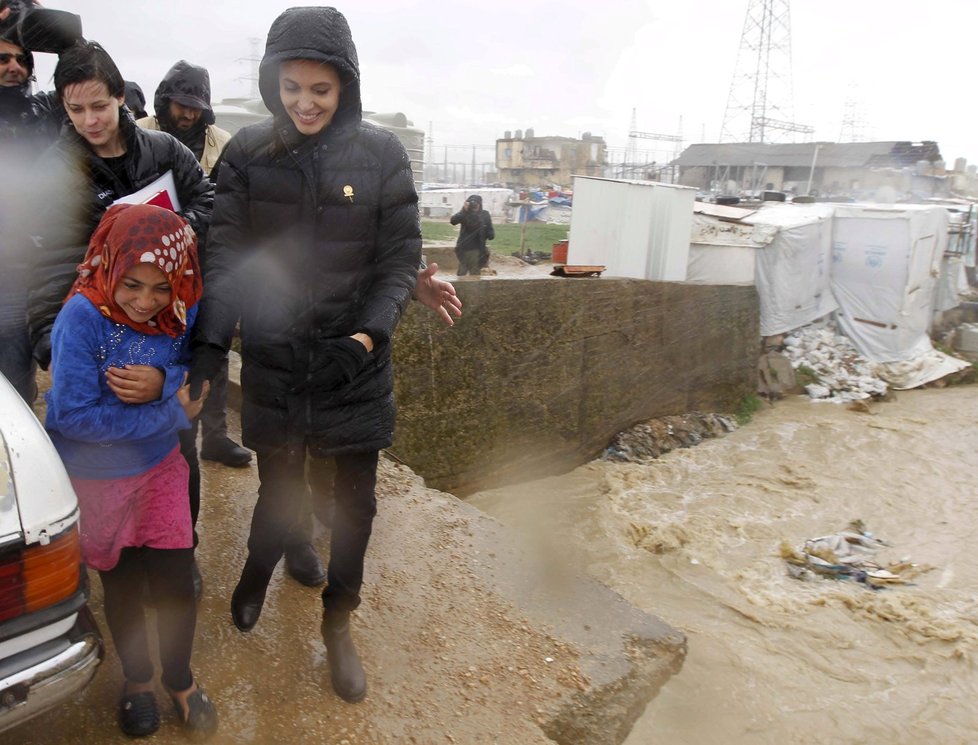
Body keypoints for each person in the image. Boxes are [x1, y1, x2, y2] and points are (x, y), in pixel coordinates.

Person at [190, 6, 420, 704]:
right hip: (276, 360)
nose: (306, 102)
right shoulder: (248, 153)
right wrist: (207, 348)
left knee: (354, 508)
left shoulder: (381, 155)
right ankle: (261, 562)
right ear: (273, 83)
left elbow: (399, 258)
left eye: (321, 89)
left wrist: (368, 335)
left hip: (354, 367)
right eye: (292, 86)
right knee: (279, 483)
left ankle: (339, 625)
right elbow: (225, 255)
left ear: (345, 86)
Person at [26, 39, 214, 593]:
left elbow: (209, 202)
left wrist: (167, 240)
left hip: (165, 324)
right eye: (75, 110)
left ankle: (180, 552)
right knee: (107, 455)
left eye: (99, 107)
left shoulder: (163, 151)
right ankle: (120, 565)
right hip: (98, 336)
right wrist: (49, 342)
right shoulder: (52, 174)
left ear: (119, 99)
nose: (89, 121)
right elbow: (46, 263)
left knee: (179, 449)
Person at [45, 203, 218, 739]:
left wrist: (163, 382)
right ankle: (138, 681)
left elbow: (192, 373)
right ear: (110, 265)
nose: (146, 303)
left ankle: (181, 680)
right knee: (119, 582)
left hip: (161, 468)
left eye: (162, 288)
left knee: (176, 582)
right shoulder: (81, 317)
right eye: (133, 284)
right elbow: (71, 416)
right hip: (98, 479)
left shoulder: (180, 312)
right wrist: (168, 411)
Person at [137, 60, 250, 468]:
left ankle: (215, 437)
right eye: (180, 104)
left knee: (213, 348)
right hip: (150, 265)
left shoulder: (223, 143)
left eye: (195, 107)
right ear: (164, 100)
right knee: (154, 348)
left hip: (205, 263)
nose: (187, 114)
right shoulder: (140, 132)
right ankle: (157, 433)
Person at [0, 2, 78, 403]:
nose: (14, 67)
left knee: (17, 386)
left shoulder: (46, 110)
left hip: (32, 269)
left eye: (22, 58)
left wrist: (46, 29)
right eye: (2, 58)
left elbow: (83, 76)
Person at [450, 194, 494, 277]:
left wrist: (486, 232)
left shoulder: (484, 215)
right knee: (466, 272)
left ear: (480, 204)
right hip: (464, 248)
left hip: (477, 249)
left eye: (476, 203)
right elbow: (453, 221)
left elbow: (491, 235)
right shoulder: (465, 214)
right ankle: (461, 288)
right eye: (472, 203)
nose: (474, 206)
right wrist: (463, 210)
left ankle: (463, 288)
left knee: (471, 272)